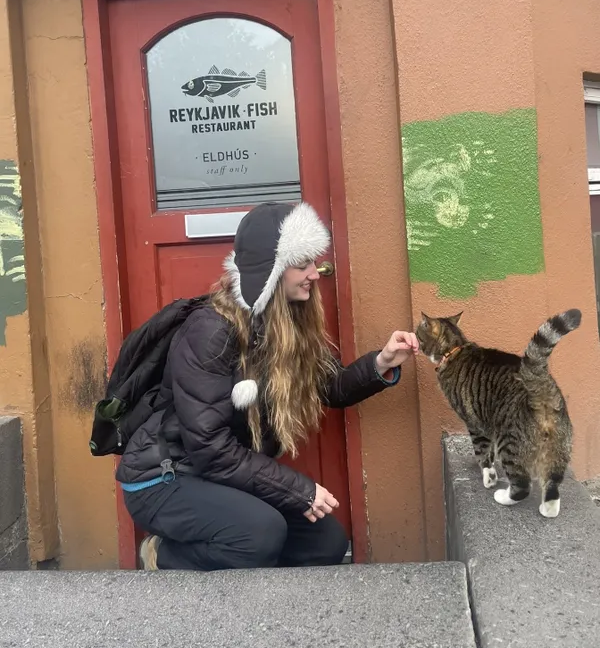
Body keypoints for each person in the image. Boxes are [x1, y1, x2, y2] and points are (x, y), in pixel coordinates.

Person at [116, 201, 419, 570]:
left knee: (326, 542)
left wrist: (381, 363)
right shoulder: (211, 331)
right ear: (271, 269)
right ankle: (162, 555)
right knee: (259, 535)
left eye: (313, 262)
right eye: (302, 263)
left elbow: (329, 387)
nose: (314, 273)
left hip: (220, 475)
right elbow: (208, 447)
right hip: (165, 476)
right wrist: (300, 491)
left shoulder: (286, 324)